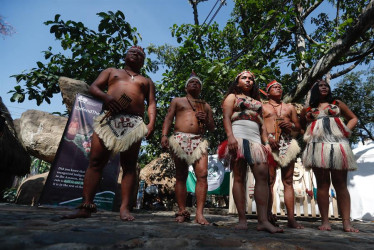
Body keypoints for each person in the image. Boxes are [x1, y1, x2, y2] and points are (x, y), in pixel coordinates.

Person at [63, 45, 156, 221]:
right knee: (96, 161)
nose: (135, 54)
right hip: (109, 119)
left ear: (143, 61)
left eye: (140, 54)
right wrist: (107, 98)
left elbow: (151, 104)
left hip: (134, 123)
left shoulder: (147, 81)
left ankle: (124, 208)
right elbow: (94, 88)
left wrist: (151, 123)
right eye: (132, 52)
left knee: (129, 166)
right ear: (125, 56)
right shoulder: (111, 71)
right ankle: (86, 206)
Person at [218, 70, 283, 233]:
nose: (248, 81)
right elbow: (226, 117)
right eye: (244, 78)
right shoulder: (232, 97)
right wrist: (230, 137)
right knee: (239, 177)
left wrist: (266, 142)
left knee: (263, 176)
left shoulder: (257, 102)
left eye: (251, 79)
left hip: (256, 141)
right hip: (238, 138)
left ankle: (262, 220)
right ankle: (242, 220)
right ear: (237, 81)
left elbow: (261, 125)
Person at [300, 79, 359, 232]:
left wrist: (345, 131)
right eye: (320, 85)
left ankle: (346, 223)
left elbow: (353, 118)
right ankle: (325, 221)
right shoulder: (307, 109)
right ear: (314, 90)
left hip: (338, 145)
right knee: (322, 184)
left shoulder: (337, 103)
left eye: (326, 85)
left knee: (340, 184)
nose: (324, 87)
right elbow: (300, 126)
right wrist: (308, 136)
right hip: (317, 147)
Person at [161, 71, 214, 225]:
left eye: (197, 83)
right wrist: (164, 135)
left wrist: (205, 119)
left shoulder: (205, 106)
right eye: (191, 82)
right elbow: (169, 118)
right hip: (179, 138)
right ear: (186, 88)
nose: (194, 84)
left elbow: (211, 127)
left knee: (203, 174)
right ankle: (182, 211)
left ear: (200, 88)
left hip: (199, 141)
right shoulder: (178, 101)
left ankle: (199, 214)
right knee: (181, 175)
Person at [262, 80, 303, 229]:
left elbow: (298, 127)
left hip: (287, 143)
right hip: (270, 144)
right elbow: (260, 125)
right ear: (268, 92)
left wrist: (291, 125)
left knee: (288, 181)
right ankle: (267, 216)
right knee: (269, 181)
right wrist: (268, 139)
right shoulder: (263, 106)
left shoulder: (289, 107)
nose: (278, 88)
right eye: (274, 87)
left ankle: (291, 219)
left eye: (280, 87)